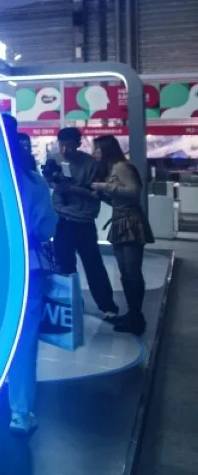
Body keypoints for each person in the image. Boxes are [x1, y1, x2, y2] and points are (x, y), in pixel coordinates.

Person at [3, 114, 57, 435]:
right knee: (24, 343)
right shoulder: (32, 180)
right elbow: (45, 227)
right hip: (29, 267)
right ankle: (20, 414)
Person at [47, 127, 118, 319]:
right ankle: (72, 305)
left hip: (84, 221)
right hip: (63, 219)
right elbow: (52, 183)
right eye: (62, 144)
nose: (65, 149)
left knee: (93, 264)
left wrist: (73, 189)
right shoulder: (55, 159)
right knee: (64, 265)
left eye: (70, 145)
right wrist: (56, 184)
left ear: (79, 143)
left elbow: (96, 192)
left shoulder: (91, 164)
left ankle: (107, 306)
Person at [90, 135, 152, 336]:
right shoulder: (114, 168)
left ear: (106, 150)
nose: (94, 153)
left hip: (130, 221)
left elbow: (134, 192)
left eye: (97, 149)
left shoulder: (121, 167)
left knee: (131, 271)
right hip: (121, 219)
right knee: (126, 272)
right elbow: (120, 197)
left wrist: (104, 187)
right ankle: (133, 313)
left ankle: (136, 315)